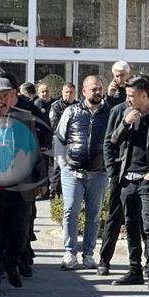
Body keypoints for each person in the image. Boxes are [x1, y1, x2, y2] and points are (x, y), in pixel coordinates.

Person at [106, 74, 149, 290]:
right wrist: (125, 124)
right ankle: (134, 270)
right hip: (128, 179)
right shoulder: (126, 113)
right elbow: (113, 140)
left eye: (131, 95)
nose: (128, 99)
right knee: (131, 226)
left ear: (145, 96)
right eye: (127, 95)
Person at [0, 78, 47, 287]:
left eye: (6, 96)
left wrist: (41, 179)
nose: (2, 101)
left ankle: (11, 263)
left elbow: (35, 149)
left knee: (19, 231)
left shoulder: (24, 117)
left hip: (19, 185)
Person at [55, 75, 110, 271]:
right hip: (72, 172)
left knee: (94, 215)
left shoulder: (109, 113)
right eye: (93, 88)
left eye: (100, 88)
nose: (97, 92)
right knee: (70, 211)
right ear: (84, 91)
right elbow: (59, 138)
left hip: (99, 173)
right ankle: (70, 252)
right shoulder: (71, 111)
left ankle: (88, 255)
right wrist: (63, 164)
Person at [48, 83, 77, 198]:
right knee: (58, 166)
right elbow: (54, 125)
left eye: (71, 92)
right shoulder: (56, 106)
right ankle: (54, 193)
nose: (68, 95)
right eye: (66, 92)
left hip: (74, 141)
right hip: (59, 140)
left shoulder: (78, 105)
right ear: (62, 93)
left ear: (75, 93)